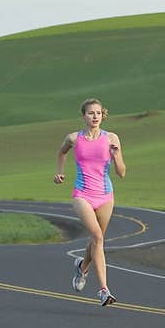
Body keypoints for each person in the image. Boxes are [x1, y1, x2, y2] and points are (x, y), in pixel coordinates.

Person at [54, 98, 126, 306]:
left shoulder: (111, 138)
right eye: (90, 113)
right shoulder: (74, 138)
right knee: (97, 237)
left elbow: (121, 173)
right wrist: (59, 173)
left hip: (105, 195)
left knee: (97, 240)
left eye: (98, 113)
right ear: (83, 116)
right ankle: (104, 290)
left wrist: (117, 154)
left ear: (103, 115)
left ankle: (82, 267)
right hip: (82, 194)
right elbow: (61, 152)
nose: (95, 116)